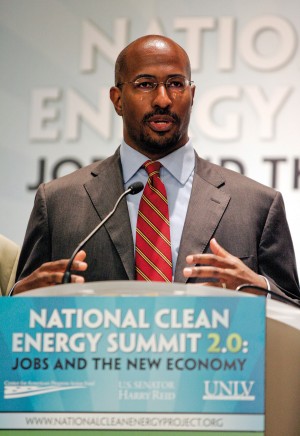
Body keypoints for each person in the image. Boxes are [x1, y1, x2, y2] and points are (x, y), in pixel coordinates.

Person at [12, 35, 300, 300]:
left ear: (192, 94)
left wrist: (257, 288)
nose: (163, 99)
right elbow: (24, 311)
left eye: (176, 84)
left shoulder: (257, 206)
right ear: (117, 99)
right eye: (145, 84)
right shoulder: (59, 203)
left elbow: (292, 313)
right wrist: (15, 302)